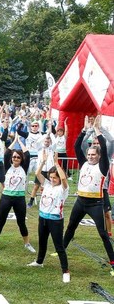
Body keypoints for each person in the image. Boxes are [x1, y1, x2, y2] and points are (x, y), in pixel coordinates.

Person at [63, 115, 114, 275]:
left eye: (94, 154)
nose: (91, 156)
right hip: (80, 202)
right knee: (71, 226)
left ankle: (113, 262)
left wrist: (98, 130)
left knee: (103, 234)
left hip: (95, 204)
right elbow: (77, 145)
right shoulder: (83, 163)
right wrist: (84, 130)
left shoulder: (103, 165)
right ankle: (61, 250)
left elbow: (105, 147)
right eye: (89, 154)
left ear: (99, 156)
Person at [0, 133, 36, 253]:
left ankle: (27, 243)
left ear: (21, 159)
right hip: (6, 198)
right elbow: (7, 152)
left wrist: (20, 140)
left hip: (19, 199)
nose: (16, 159)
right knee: (1, 221)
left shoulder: (24, 167)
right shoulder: (7, 166)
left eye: (18, 157)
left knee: (21, 222)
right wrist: (14, 141)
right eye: (14, 157)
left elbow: (27, 154)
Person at [28, 152, 70, 283]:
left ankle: (65, 271)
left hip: (55, 220)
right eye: (51, 177)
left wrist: (57, 163)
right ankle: (39, 261)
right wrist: (43, 161)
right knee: (42, 241)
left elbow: (63, 179)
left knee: (59, 246)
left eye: (54, 178)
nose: (52, 179)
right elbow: (37, 174)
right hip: (43, 218)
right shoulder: (46, 184)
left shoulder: (63, 189)